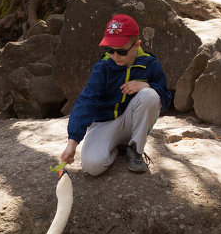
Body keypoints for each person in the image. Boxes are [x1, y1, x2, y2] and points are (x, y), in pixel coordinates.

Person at [60, 13, 172, 175]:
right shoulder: (103, 67)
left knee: (150, 94)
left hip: (131, 122)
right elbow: (86, 101)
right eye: (109, 50)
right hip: (104, 124)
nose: (115, 56)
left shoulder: (150, 64)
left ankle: (135, 150)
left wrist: (146, 85)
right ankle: (117, 148)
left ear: (136, 45)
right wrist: (72, 142)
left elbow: (166, 99)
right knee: (92, 167)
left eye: (121, 52)